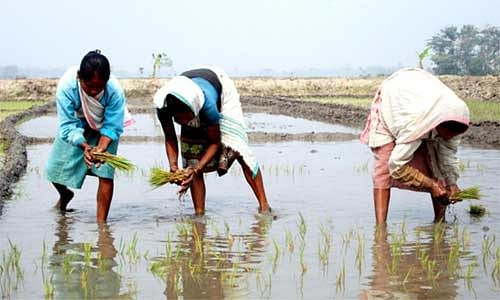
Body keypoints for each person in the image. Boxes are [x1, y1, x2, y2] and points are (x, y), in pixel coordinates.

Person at [153, 67, 271, 215]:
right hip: (190, 91)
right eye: (179, 120)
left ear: (194, 110)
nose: (184, 122)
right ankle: (199, 215)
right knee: (191, 161)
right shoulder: (164, 107)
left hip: (221, 92)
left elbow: (215, 142)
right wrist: (173, 166)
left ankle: (264, 206)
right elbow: (170, 137)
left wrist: (198, 169)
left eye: (187, 118)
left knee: (240, 149)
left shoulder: (208, 106)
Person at [360, 68, 470, 224]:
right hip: (394, 100)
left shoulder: (456, 118)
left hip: (418, 96)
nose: (448, 137)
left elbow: (447, 156)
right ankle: (380, 229)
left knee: (437, 165)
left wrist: (452, 184)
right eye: (446, 132)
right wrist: (431, 185)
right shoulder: (417, 123)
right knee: (383, 167)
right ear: (437, 123)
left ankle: (440, 223)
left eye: (452, 135)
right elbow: (396, 165)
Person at [46, 50, 131, 222]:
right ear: (79, 77)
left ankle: (101, 225)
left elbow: (112, 125)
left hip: (104, 127)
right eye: (89, 86)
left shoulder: (114, 91)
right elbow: (68, 125)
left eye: (99, 87)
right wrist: (84, 146)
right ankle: (65, 195)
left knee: (105, 173)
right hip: (77, 123)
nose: (93, 91)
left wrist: (100, 148)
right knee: (54, 169)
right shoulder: (67, 87)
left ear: (106, 81)